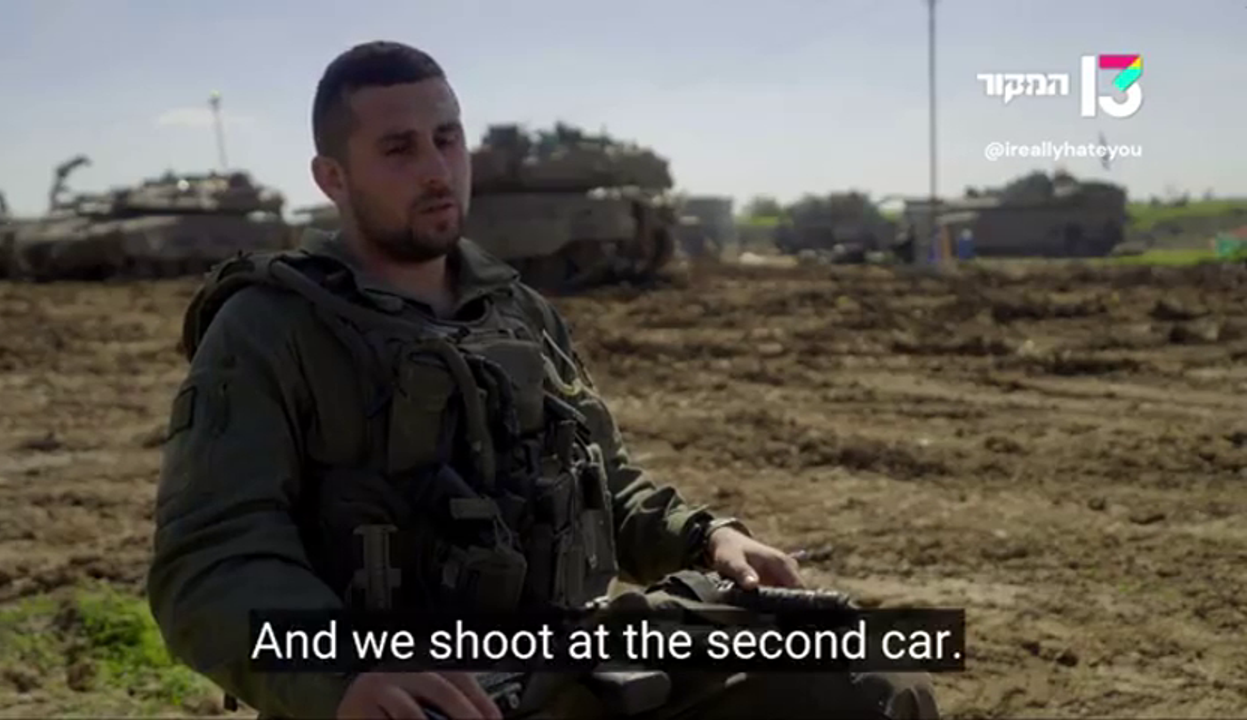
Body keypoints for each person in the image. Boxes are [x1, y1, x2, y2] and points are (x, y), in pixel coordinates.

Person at [147, 41, 939, 720]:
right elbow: (210, 561)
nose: (437, 170)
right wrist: (345, 677)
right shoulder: (270, 329)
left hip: (561, 662)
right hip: (410, 693)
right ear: (332, 177)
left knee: (870, 686)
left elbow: (601, 481)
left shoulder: (517, 311)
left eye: (447, 138)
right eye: (399, 149)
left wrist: (708, 537)